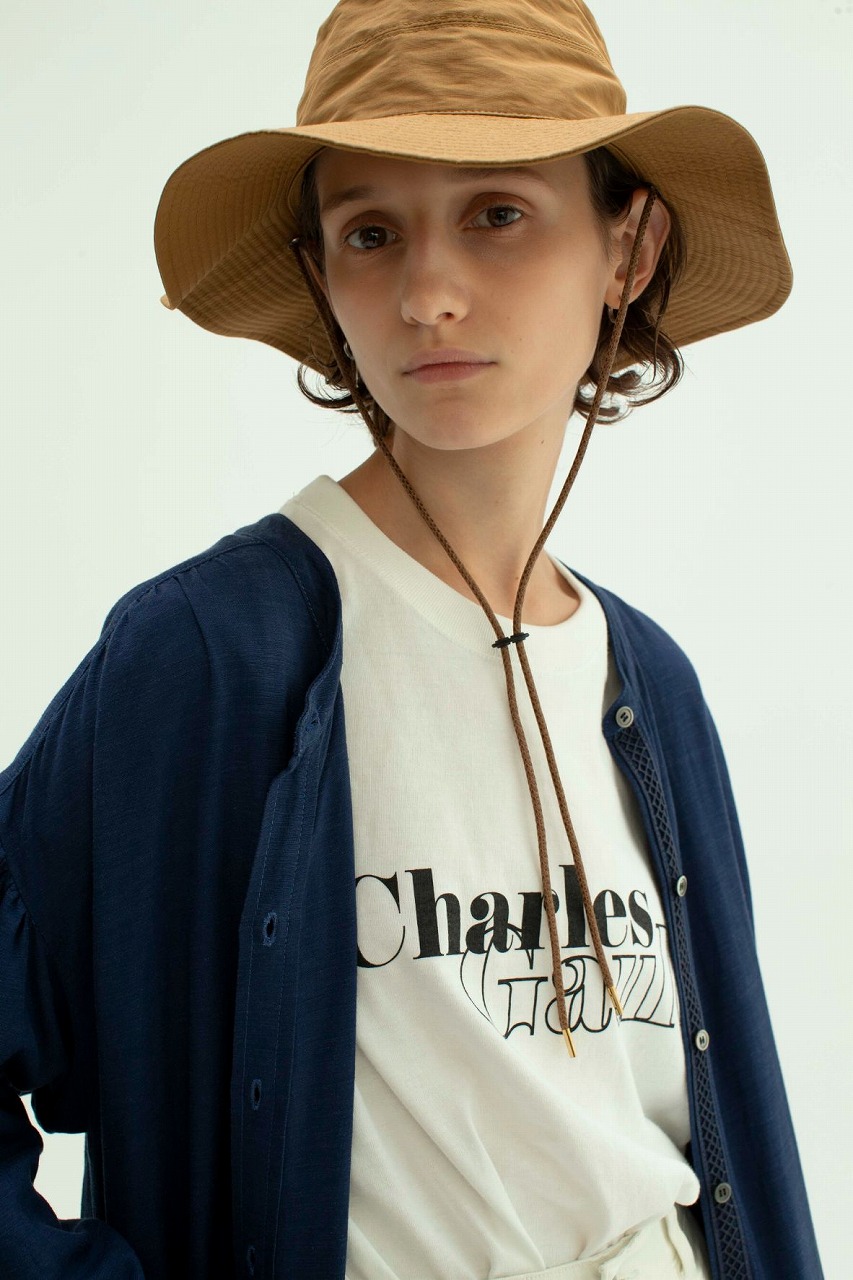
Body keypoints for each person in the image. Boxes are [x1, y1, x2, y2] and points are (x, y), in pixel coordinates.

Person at [0, 1, 825, 1277]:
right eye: (371, 232)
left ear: (629, 246)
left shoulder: (651, 683)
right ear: (322, 274)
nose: (429, 293)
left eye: (497, 212)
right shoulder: (210, 652)